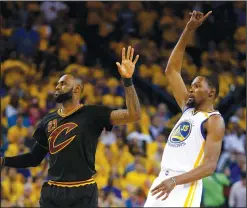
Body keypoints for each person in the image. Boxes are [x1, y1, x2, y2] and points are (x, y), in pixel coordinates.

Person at [0, 46, 141, 207]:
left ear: (77, 89)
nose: (57, 86)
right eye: (57, 84)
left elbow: (134, 115)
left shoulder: (93, 113)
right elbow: (33, 159)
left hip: (83, 191)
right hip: (52, 192)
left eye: (63, 83)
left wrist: (128, 81)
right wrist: (4, 160)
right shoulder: (48, 120)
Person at [144, 11, 225, 207]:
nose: (191, 88)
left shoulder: (214, 120)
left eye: (197, 86)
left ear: (211, 92)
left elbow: (209, 167)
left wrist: (175, 181)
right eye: (191, 85)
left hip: (183, 186)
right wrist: (188, 30)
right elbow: (171, 70)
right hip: (163, 180)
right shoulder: (187, 109)